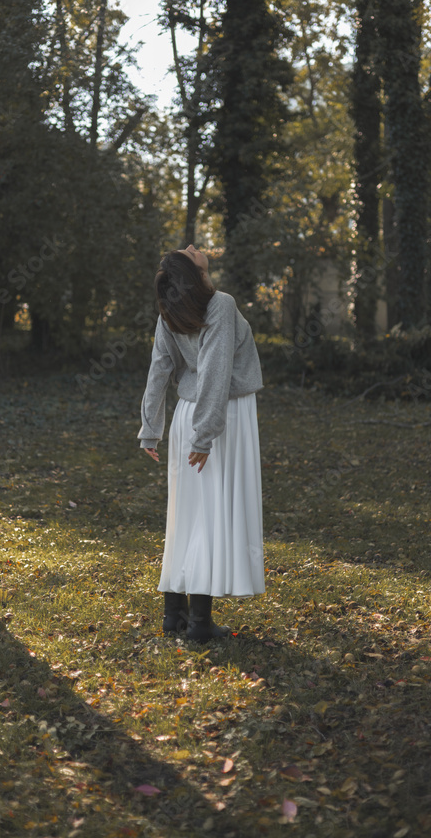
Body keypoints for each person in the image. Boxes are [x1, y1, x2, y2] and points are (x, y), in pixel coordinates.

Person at [138, 244, 265, 643]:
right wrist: (206, 435)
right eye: (188, 251)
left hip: (189, 417)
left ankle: (173, 614)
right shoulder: (221, 305)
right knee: (207, 518)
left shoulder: (175, 310)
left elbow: (160, 369)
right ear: (191, 273)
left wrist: (151, 428)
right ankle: (197, 624)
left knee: (188, 516)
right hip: (222, 417)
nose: (194, 247)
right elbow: (214, 371)